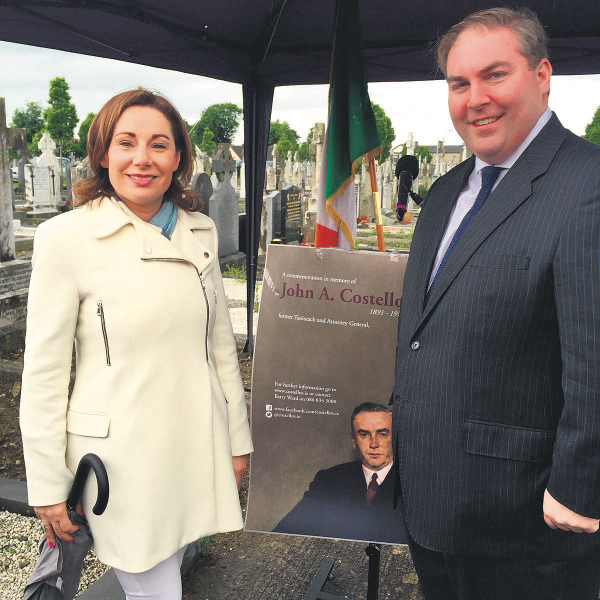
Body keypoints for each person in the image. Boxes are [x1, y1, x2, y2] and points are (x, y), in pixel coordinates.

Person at [392, 7, 600, 599]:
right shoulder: (444, 193)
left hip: (525, 523)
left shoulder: (588, 186)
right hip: (433, 503)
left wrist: (581, 489)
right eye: (459, 83)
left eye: (494, 75)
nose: (475, 99)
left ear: (543, 75)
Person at [20, 89, 253, 600]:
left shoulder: (200, 230)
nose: (142, 158)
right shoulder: (66, 238)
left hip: (194, 441)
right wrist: (47, 482)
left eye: (158, 144)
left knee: (170, 566)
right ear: (103, 154)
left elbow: (219, 346)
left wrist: (237, 439)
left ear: (178, 157)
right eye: (126, 143)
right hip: (118, 459)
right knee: (156, 590)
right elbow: (44, 373)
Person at [274, 402, 407, 544]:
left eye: (383, 434)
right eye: (364, 434)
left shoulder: (413, 484)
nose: (374, 444)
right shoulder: (329, 481)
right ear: (354, 440)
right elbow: (282, 535)